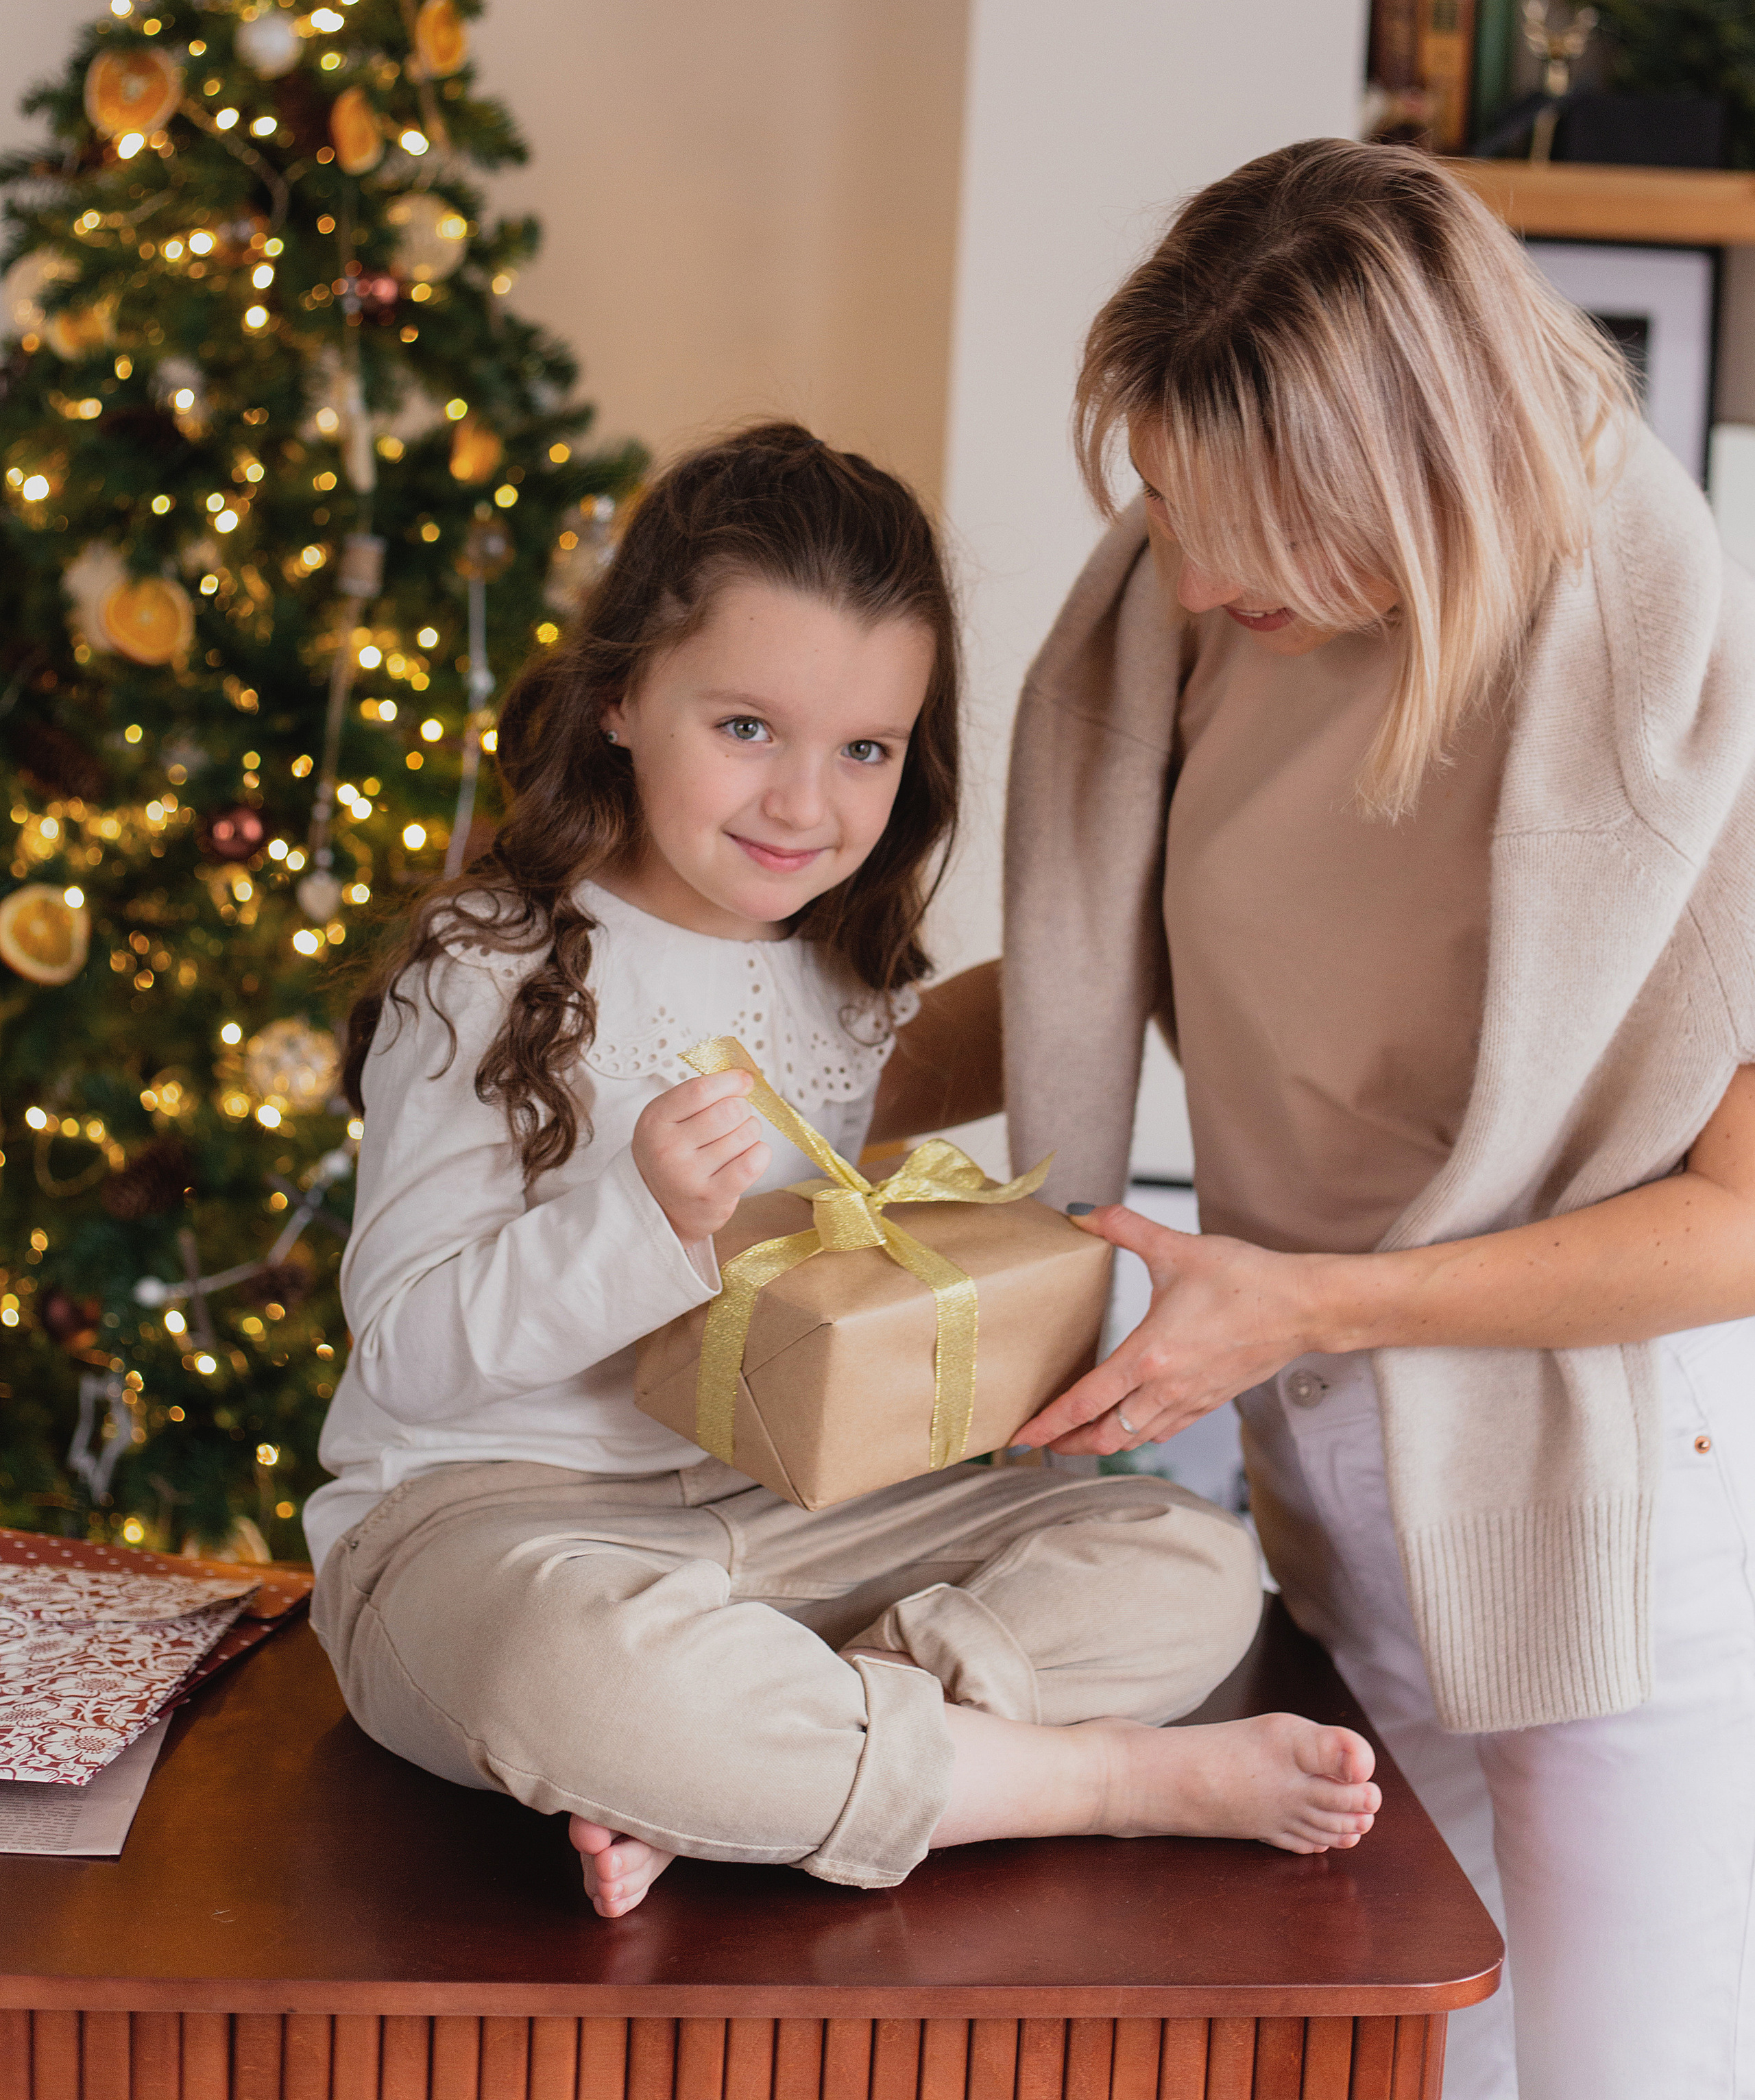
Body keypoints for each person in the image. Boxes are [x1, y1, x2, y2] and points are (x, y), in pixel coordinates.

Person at [897, 139, 1755, 2100]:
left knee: (1632, 2077)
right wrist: (740, 1073)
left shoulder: (1677, 679)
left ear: (1428, 479)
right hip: (1336, 1476)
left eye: (1258, 533)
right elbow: (1090, 974)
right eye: (1178, 509)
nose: (1191, 577)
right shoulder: (1194, 605)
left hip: (1607, 1496)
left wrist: (1312, 1311)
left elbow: (1742, 1218)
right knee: (1398, 2070)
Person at [305, 420, 1378, 1924]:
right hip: (500, 1524)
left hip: (797, 1528)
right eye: (745, 727)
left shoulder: (845, 984)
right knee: (573, 1679)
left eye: (863, 750)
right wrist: (641, 1221)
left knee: (1184, 1559)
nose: (802, 805)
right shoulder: (488, 968)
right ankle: (1089, 1779)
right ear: (620, 695)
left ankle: (776, 1761)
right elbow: (409, 1361)